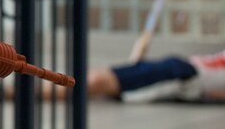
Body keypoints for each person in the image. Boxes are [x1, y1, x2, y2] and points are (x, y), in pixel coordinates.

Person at [87, 50, 225, 103]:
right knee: (100, 81)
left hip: (184, 75)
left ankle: (67, 82)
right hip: (182, 73)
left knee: (102, 81)